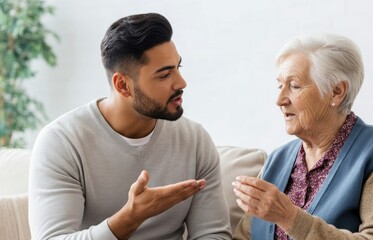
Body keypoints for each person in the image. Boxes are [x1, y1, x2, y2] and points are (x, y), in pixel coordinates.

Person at [28, 13, 232, 240]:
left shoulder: (195, 141)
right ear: (123, 85)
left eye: (178, 67)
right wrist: (131, 217)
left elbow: (213, 235)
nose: (181, 82)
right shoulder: (62, 143)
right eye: (165, 75)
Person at [233, 33, 373, 240]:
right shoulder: (277, 160)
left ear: (336, 92)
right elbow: (243, 237)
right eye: (279, 85)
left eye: (294, 86)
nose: (280, 99)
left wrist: (290, 218)